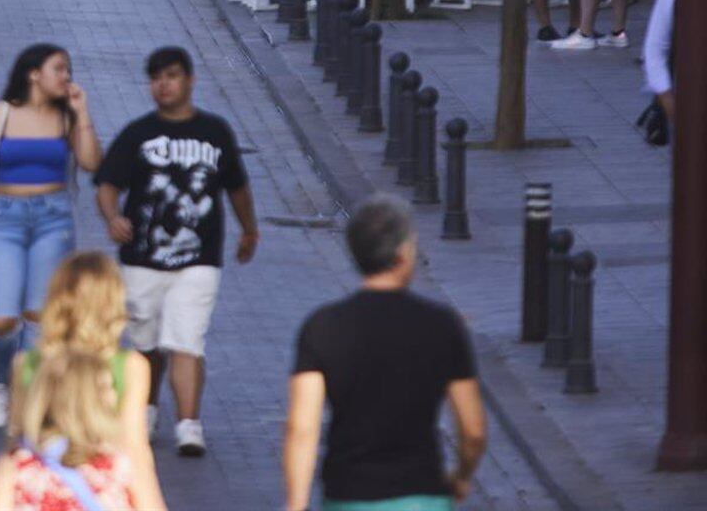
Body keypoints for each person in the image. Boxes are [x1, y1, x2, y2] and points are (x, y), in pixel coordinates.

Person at [94, 46, 258, 458]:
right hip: (141, 257)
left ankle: (189, 423)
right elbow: (108, 182)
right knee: (145, 341)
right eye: (155, 78)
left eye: (170, 76)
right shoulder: (137, 134)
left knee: (187, 339)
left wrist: (249, 230)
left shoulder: (215, 133)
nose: (162, 85)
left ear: (189, 80)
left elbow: (237, 186)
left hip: (199, 257)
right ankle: (147, 408)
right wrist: (112, 216)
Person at [283, 196, 486, 511]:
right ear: (403, 254)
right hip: (422, 494)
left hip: (349, 494)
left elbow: (302, 426)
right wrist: (461, 476)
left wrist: (296, 504)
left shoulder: (322, 327)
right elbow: (473, 430)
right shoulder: (441, 325)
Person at [0, 45, 104, 427]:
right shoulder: (0, 114)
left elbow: (91, 162)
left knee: (39, 315)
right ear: (34, 74)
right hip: (4, 219)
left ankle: (30, 393)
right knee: (1, 320)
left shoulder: (66, 117)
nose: (66, 77)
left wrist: (82, 113)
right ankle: (3, 381)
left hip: (53, 219)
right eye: (59, 69)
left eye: (68, 70)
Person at [0, 253, 167, 511]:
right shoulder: (130, 366)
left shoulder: (27, 363)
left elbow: (18, 437)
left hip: (39, 480)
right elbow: (135, 448)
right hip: (103, 483)